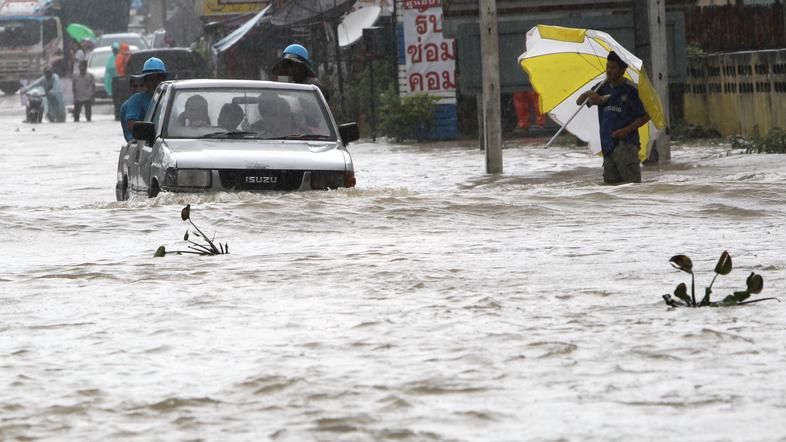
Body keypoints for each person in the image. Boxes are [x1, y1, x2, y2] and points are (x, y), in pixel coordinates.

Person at [576, 51, 650, 184]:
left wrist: (626, 130)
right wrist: (588, 93)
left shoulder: (632, 90)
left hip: (627, 146)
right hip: (608, 147)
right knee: (610, 191)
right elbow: (579, 102)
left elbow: (646, 116)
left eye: (613, 68)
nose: (609, 71)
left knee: (632, 187)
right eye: (607, 67)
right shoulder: (601, 88)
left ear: (623, 70)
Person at [121, 57, 168, 141]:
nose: (155, 82)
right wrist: (149, 135)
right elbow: (131, 125)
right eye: (151, 79)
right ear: (145, 81)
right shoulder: (136, 100)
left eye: (158, 78)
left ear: (164, 79)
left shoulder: (171, 98)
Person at [119, 77, 143, 141]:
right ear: (130, 88)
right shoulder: (125, 107)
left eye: (141, 86)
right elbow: (127, 133)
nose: (138, 89)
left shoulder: (153, 101)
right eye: (135, 86)